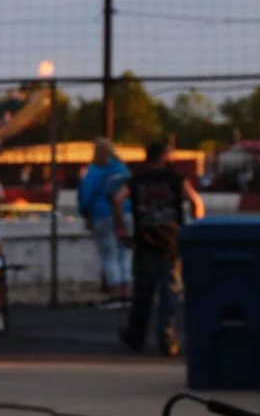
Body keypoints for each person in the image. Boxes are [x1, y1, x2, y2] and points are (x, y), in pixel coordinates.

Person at [116, 136, 202, 355]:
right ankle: (168, 339)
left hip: (145, 241)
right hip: (172, 243)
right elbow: (195, 201)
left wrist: (121, 229)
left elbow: (117, 199)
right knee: (170, 293)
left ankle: (136, 337)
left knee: (143, 293)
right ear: (165, 156)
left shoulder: (137, 180)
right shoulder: (176, 178)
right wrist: (195, 226)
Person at [78, 139, 132, 303]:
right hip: (126, 213)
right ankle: (127, 291)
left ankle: (115, 293)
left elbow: (86, 195)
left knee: (109, 256)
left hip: (102, 215)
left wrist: (85, 213)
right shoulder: (122, 169)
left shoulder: (93, 171)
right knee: (125, 254)